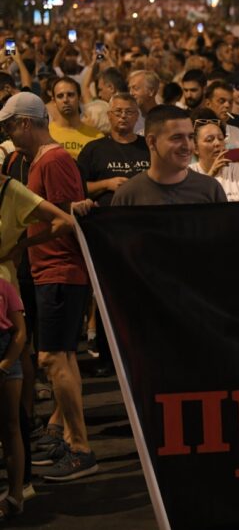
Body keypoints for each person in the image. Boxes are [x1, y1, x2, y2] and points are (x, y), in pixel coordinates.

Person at [0, 92, 98, 481]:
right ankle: (68, 436)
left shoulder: (54, 160)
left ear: (26, 123)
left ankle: (80, 447)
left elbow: (66, 220)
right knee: (62, 359)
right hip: (53, 270)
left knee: (52, 359)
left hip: (60, 270)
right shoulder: (38, 160)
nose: (8, 135)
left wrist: (20, 243)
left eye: (9, 127)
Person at [112, 105, 227, 205]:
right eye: (177, 138)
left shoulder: (210, 189)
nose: (187, 146)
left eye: (190, 137)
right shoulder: (127, 196)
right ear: (151, 142)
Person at [77, 94, 151, 206]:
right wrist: (106, 184)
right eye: (118, 111)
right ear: (109, 115)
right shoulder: (93, 149)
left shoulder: (149, 147)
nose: (123, 116)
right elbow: (78, 187)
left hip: (145, 212)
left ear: (137, 116)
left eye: (129, 112)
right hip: (106, 216)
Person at [189, 111, 239, 204]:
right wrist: (211, 174)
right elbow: (191, 204)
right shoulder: (189, 173)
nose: (217, 143)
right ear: (195, 148)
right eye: (209, 140)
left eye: (220, 138)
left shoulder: (237, 169)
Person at [0, 276, 27, 519]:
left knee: (10, 427)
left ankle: (16, 494)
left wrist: (5, 365)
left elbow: (20, 332)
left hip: (6, 354)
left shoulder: (4, 286)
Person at [48, 78, 103, 159]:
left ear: (79, 98)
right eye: (60, 96)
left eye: (70, 95)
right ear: (54, 102)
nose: (65, 100)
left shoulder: (97, 137)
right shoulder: (46, 134)